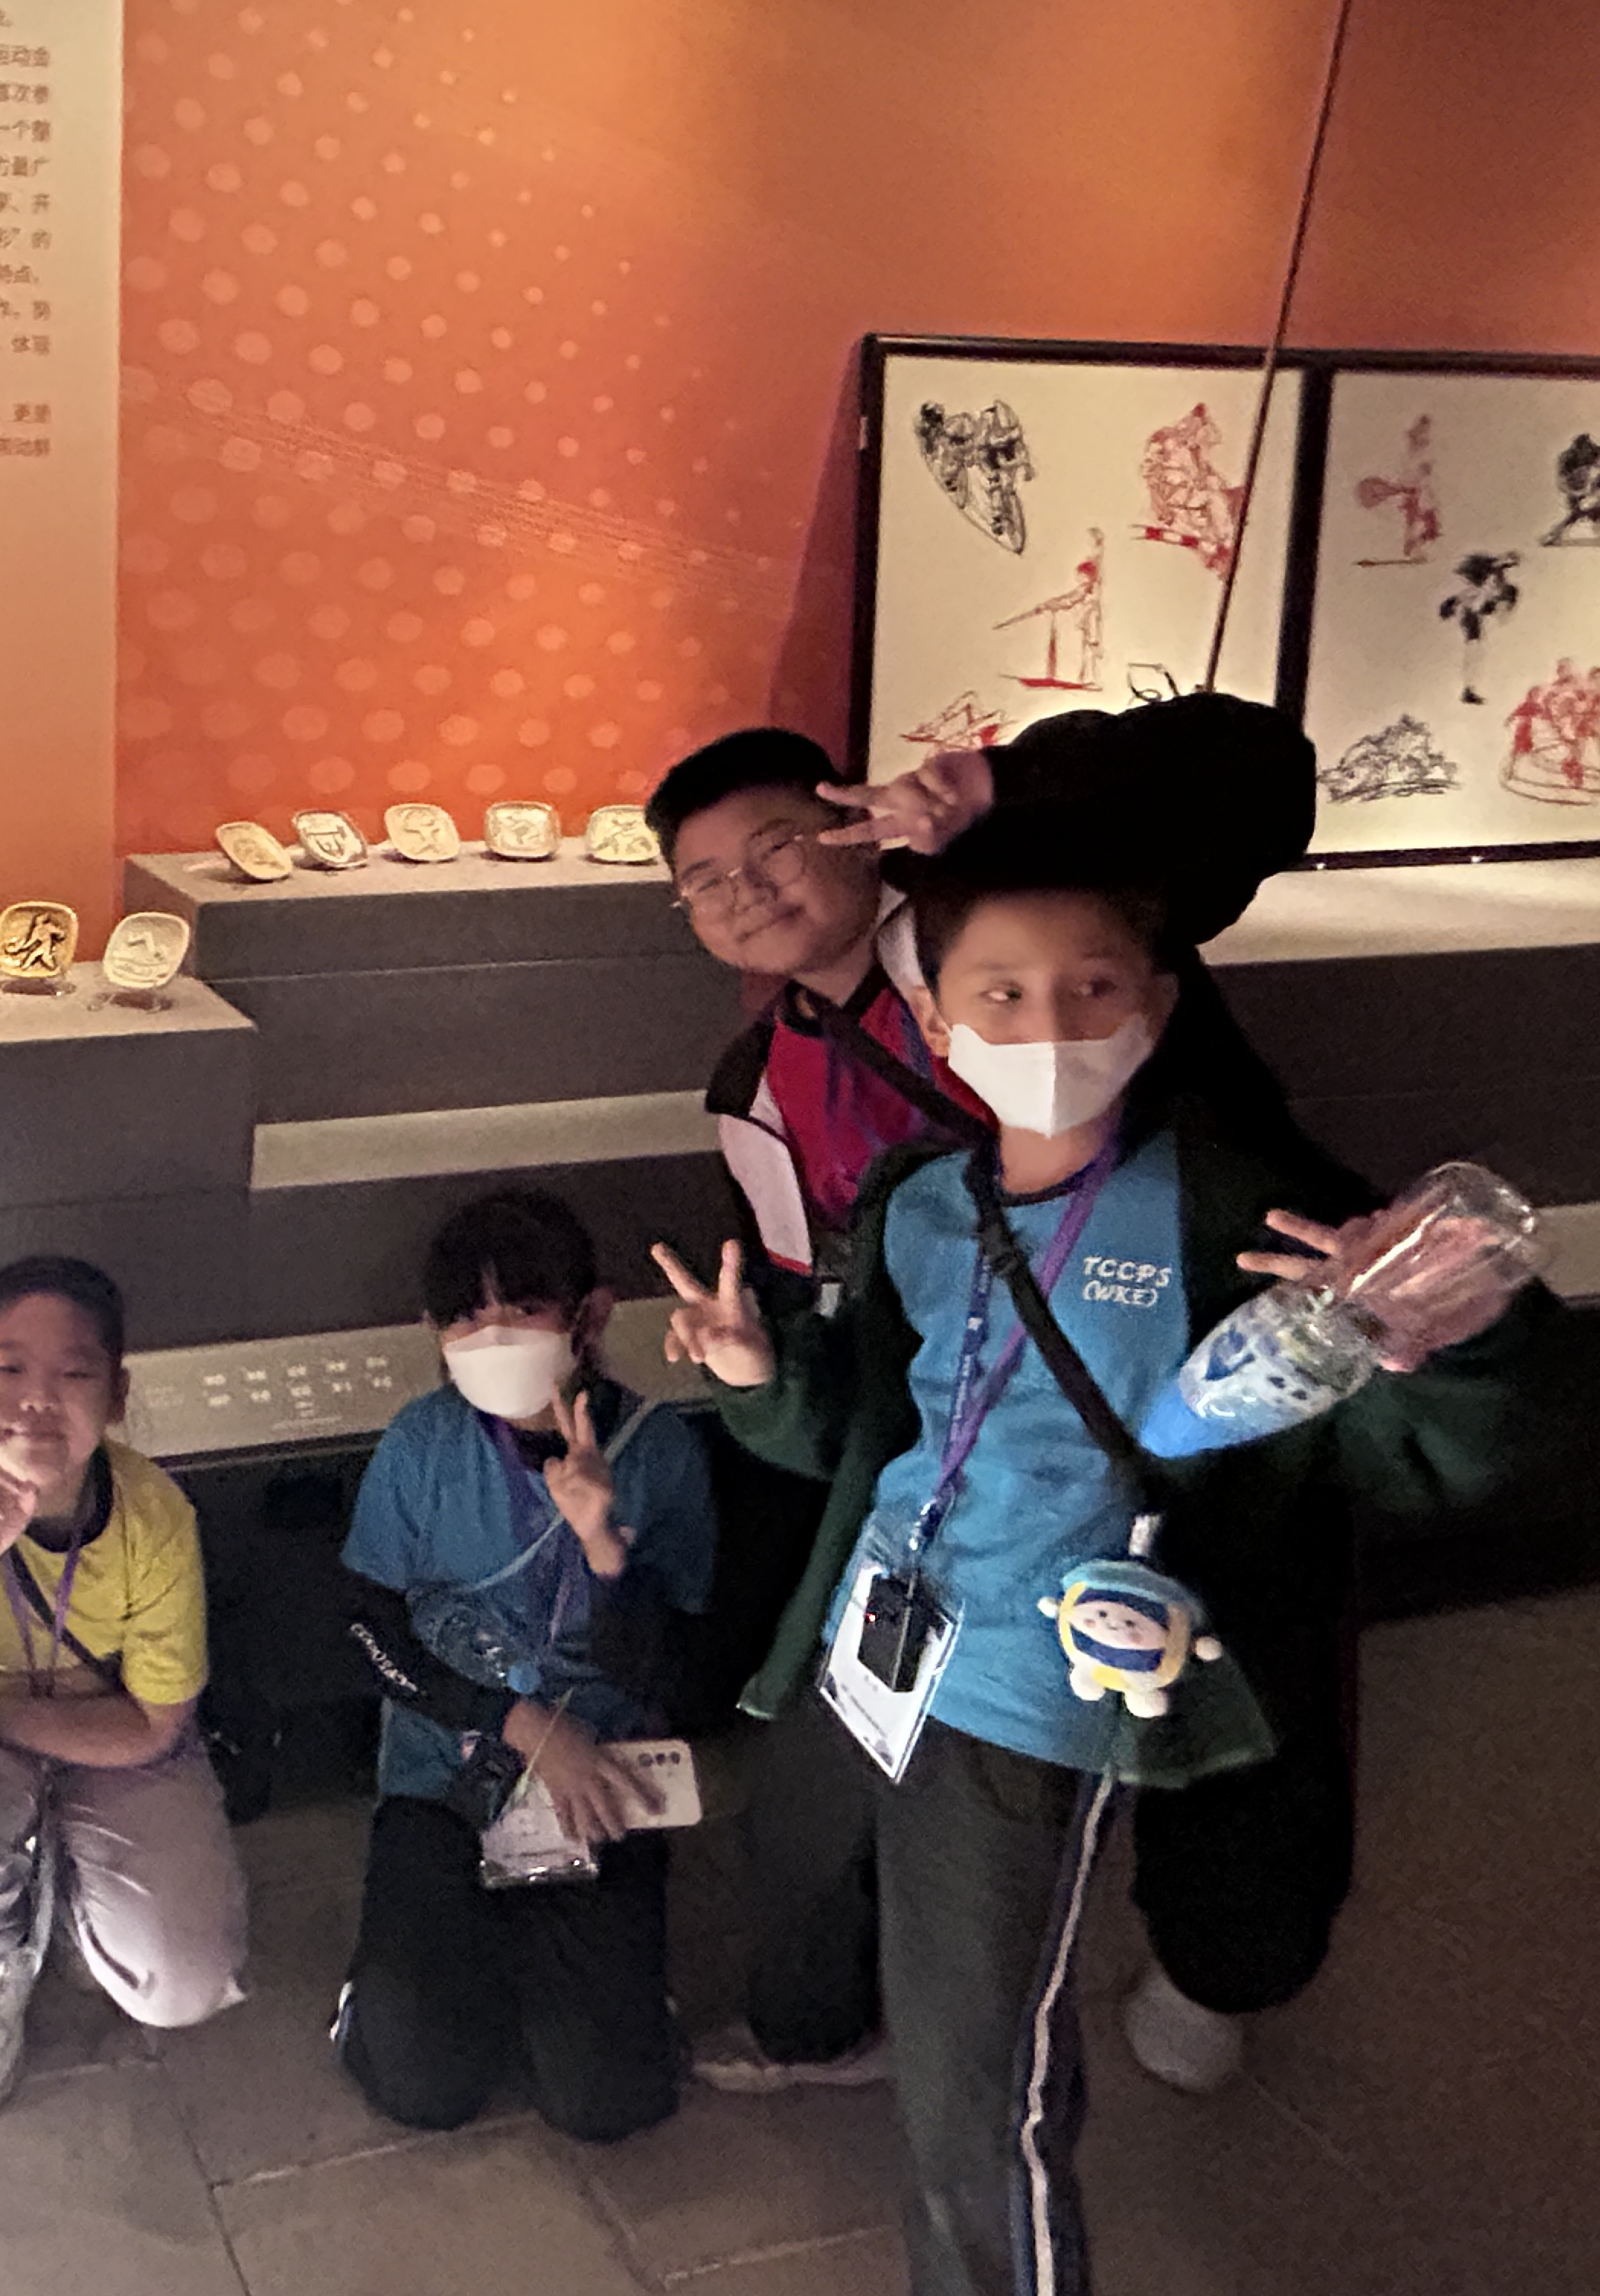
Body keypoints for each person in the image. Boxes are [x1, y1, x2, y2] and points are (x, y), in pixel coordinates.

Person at [653, 815, 1553, 2296]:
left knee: (976, 2086)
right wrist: (757, 1378)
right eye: (1001, 992)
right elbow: (863, 1424)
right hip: (878, 1623)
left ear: (1158, 1003)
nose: (1049, 1025)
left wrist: (1447, 1347)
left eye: (1091, 987)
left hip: (1042, 1671)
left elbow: (1431, 1453)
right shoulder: (922, 1203)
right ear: (937, 1014)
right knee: (795, 1842)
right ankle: (823, 2026)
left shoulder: (1226, 1204)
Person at [646, 699, 1358, 2097]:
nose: (746, 892)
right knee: (858, 1756)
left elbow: (1257, 776)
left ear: (855, 826)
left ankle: (1216, 1966)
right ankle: (847, 2002)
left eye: (774, 845)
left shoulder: (1018, 912)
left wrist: (1001, 787)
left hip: (1186, 1407)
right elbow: (826, 1320)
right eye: (704, 881)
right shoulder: (758, 1079)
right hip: (957, 1473)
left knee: (1239, 1694)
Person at [330, 1191, 721, 2143]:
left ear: (589, 1317)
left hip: (598, 1785)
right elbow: (366, 1626)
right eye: (467, 1315)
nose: (494, 1335)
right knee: (421, 2083)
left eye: (525, 1308)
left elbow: (680, 1665)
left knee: (608, 2099)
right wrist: (518, 1721)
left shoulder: (659, 1453)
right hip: (448, 1772)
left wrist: (604, 1548)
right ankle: (400, 1981)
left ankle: (570, 1972)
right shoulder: (423, 1443)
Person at [0, 1255, 247, 2113]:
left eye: (75, 1374)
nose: (38, 1398)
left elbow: (153, 1725)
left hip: (89, 1733)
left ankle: (66, 1896)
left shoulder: (155, 1514)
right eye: (8, 1369)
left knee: (180, 1981)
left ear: (117, 1395)